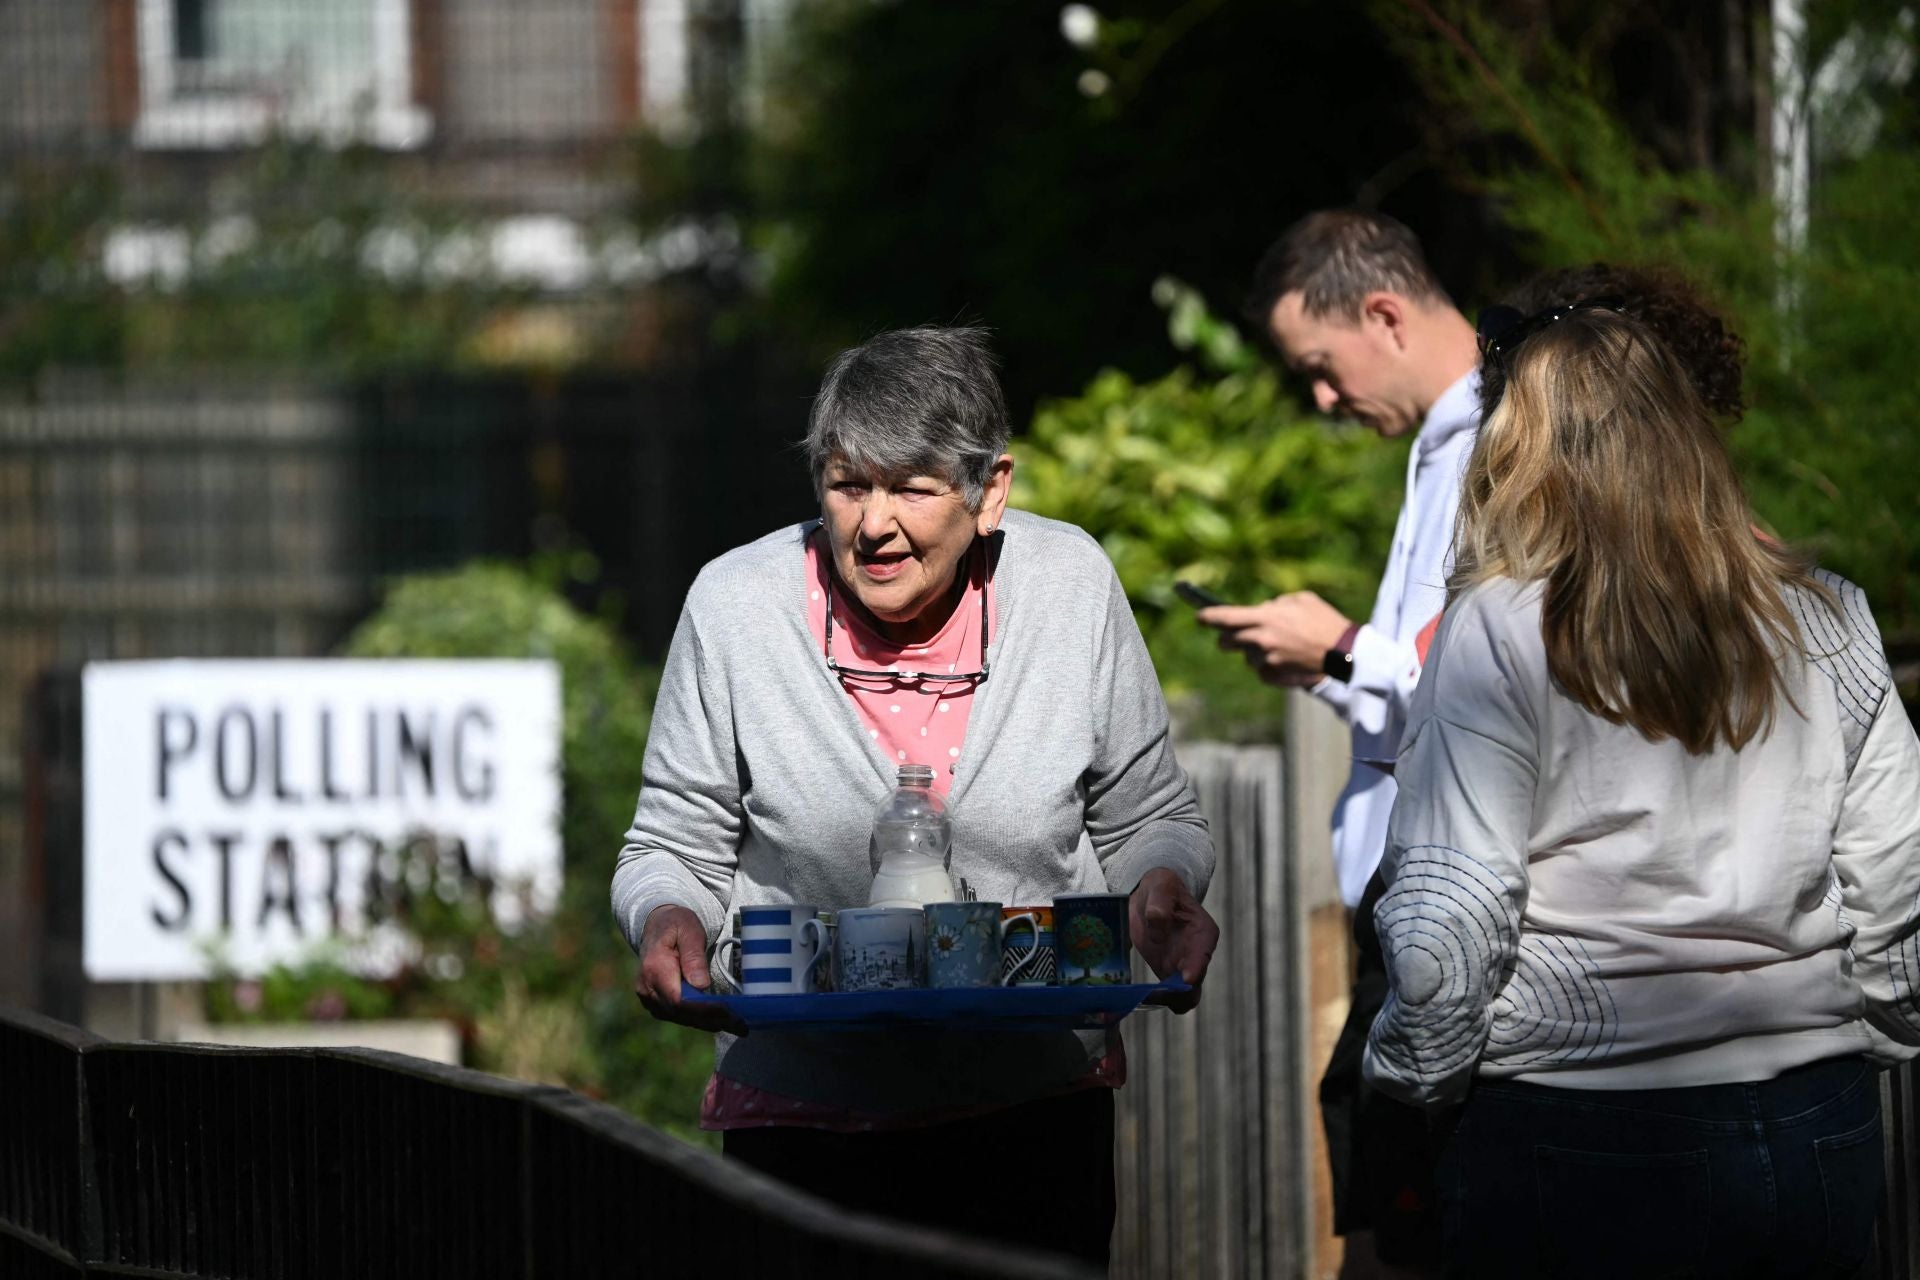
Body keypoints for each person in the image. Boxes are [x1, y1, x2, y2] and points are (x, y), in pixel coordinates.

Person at [611, 325, 1221, 1266]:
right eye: (849, 484)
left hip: (1032, 1114)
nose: (874, 523)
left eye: (914, 488)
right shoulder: (735, 607)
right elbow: (672, 846)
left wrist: (1163, 887)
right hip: (804, 1126)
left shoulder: (1068, 589)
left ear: (992, 492)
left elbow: (1148, 815)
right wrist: (664, 918)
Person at [1364, 302, 1920, 1278]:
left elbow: (1449, 920)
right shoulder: (1825, 615)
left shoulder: (1500, 625)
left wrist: (1410, 1082)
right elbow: (1899, 880)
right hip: (1812, 1119)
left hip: (1577, 1124)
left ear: (1522, 451)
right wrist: (1851, 1029)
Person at [1204, 208, 1483, 1270]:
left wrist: (1338, 649)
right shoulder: (1441, 443)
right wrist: (1326, 666)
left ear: (1382, 312)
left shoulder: (1504, 440)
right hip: (1411, 912)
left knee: (1407, 1241)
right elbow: (1422, 686)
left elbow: (1493, 682)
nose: (1321, 398)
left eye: (1320, 366)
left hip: (1451, 914)